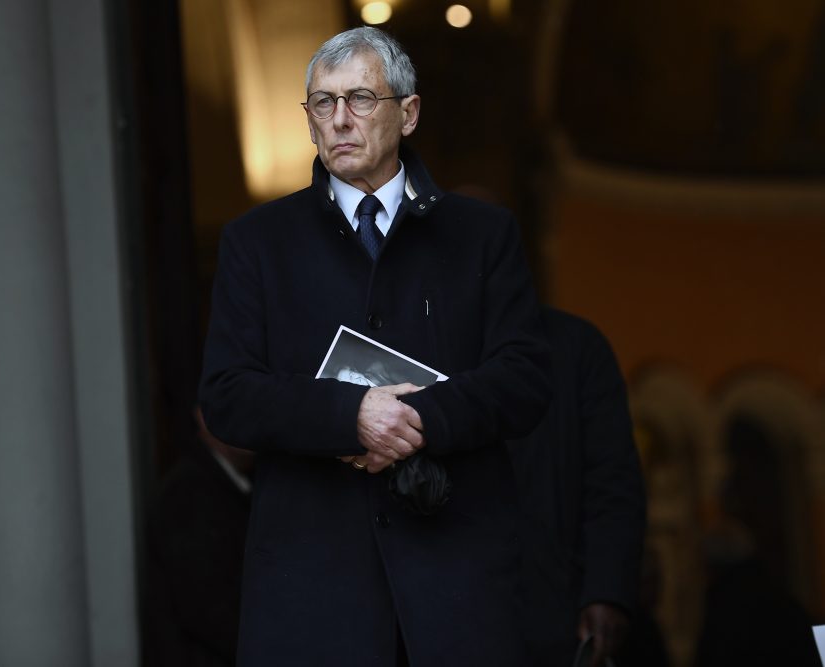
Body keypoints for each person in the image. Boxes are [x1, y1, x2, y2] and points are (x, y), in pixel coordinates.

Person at [199, 26, 550, 667]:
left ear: (408, 114)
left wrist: (417, 419)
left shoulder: (481, 235)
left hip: (454, 583)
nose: (339, 119)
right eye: (322, 103)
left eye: (360, 98)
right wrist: (351, 416)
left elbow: (524, 378)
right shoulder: (258, 242)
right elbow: (227, 395)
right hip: (315, 588)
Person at [507, 307, 646, 667]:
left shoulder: (575, 345)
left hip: (552, 609)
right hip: (446, 609)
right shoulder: (428, 337)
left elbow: (612, 479)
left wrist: (607, 590)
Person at [144, 408, 254, 666]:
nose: (251, 420)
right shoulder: (187, 495)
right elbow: (207, 609)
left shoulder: (235, 483)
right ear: (202, 416)